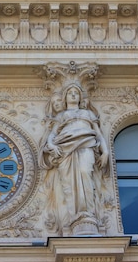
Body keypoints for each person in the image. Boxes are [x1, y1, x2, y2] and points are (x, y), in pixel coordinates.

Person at [39, 83, 109, 234]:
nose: (73, 95)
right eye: (70, 93)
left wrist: (106, 152)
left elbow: (98, 134)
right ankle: (75, 218)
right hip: (65, 149)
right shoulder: (61, 116)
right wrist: (52, 145)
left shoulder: (88, 114)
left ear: (80, 97)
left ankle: (87, 214)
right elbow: (52, 135)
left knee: (85, 173)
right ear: (65, 98)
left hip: (86, 145)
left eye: (76, 93)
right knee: (68, 183)